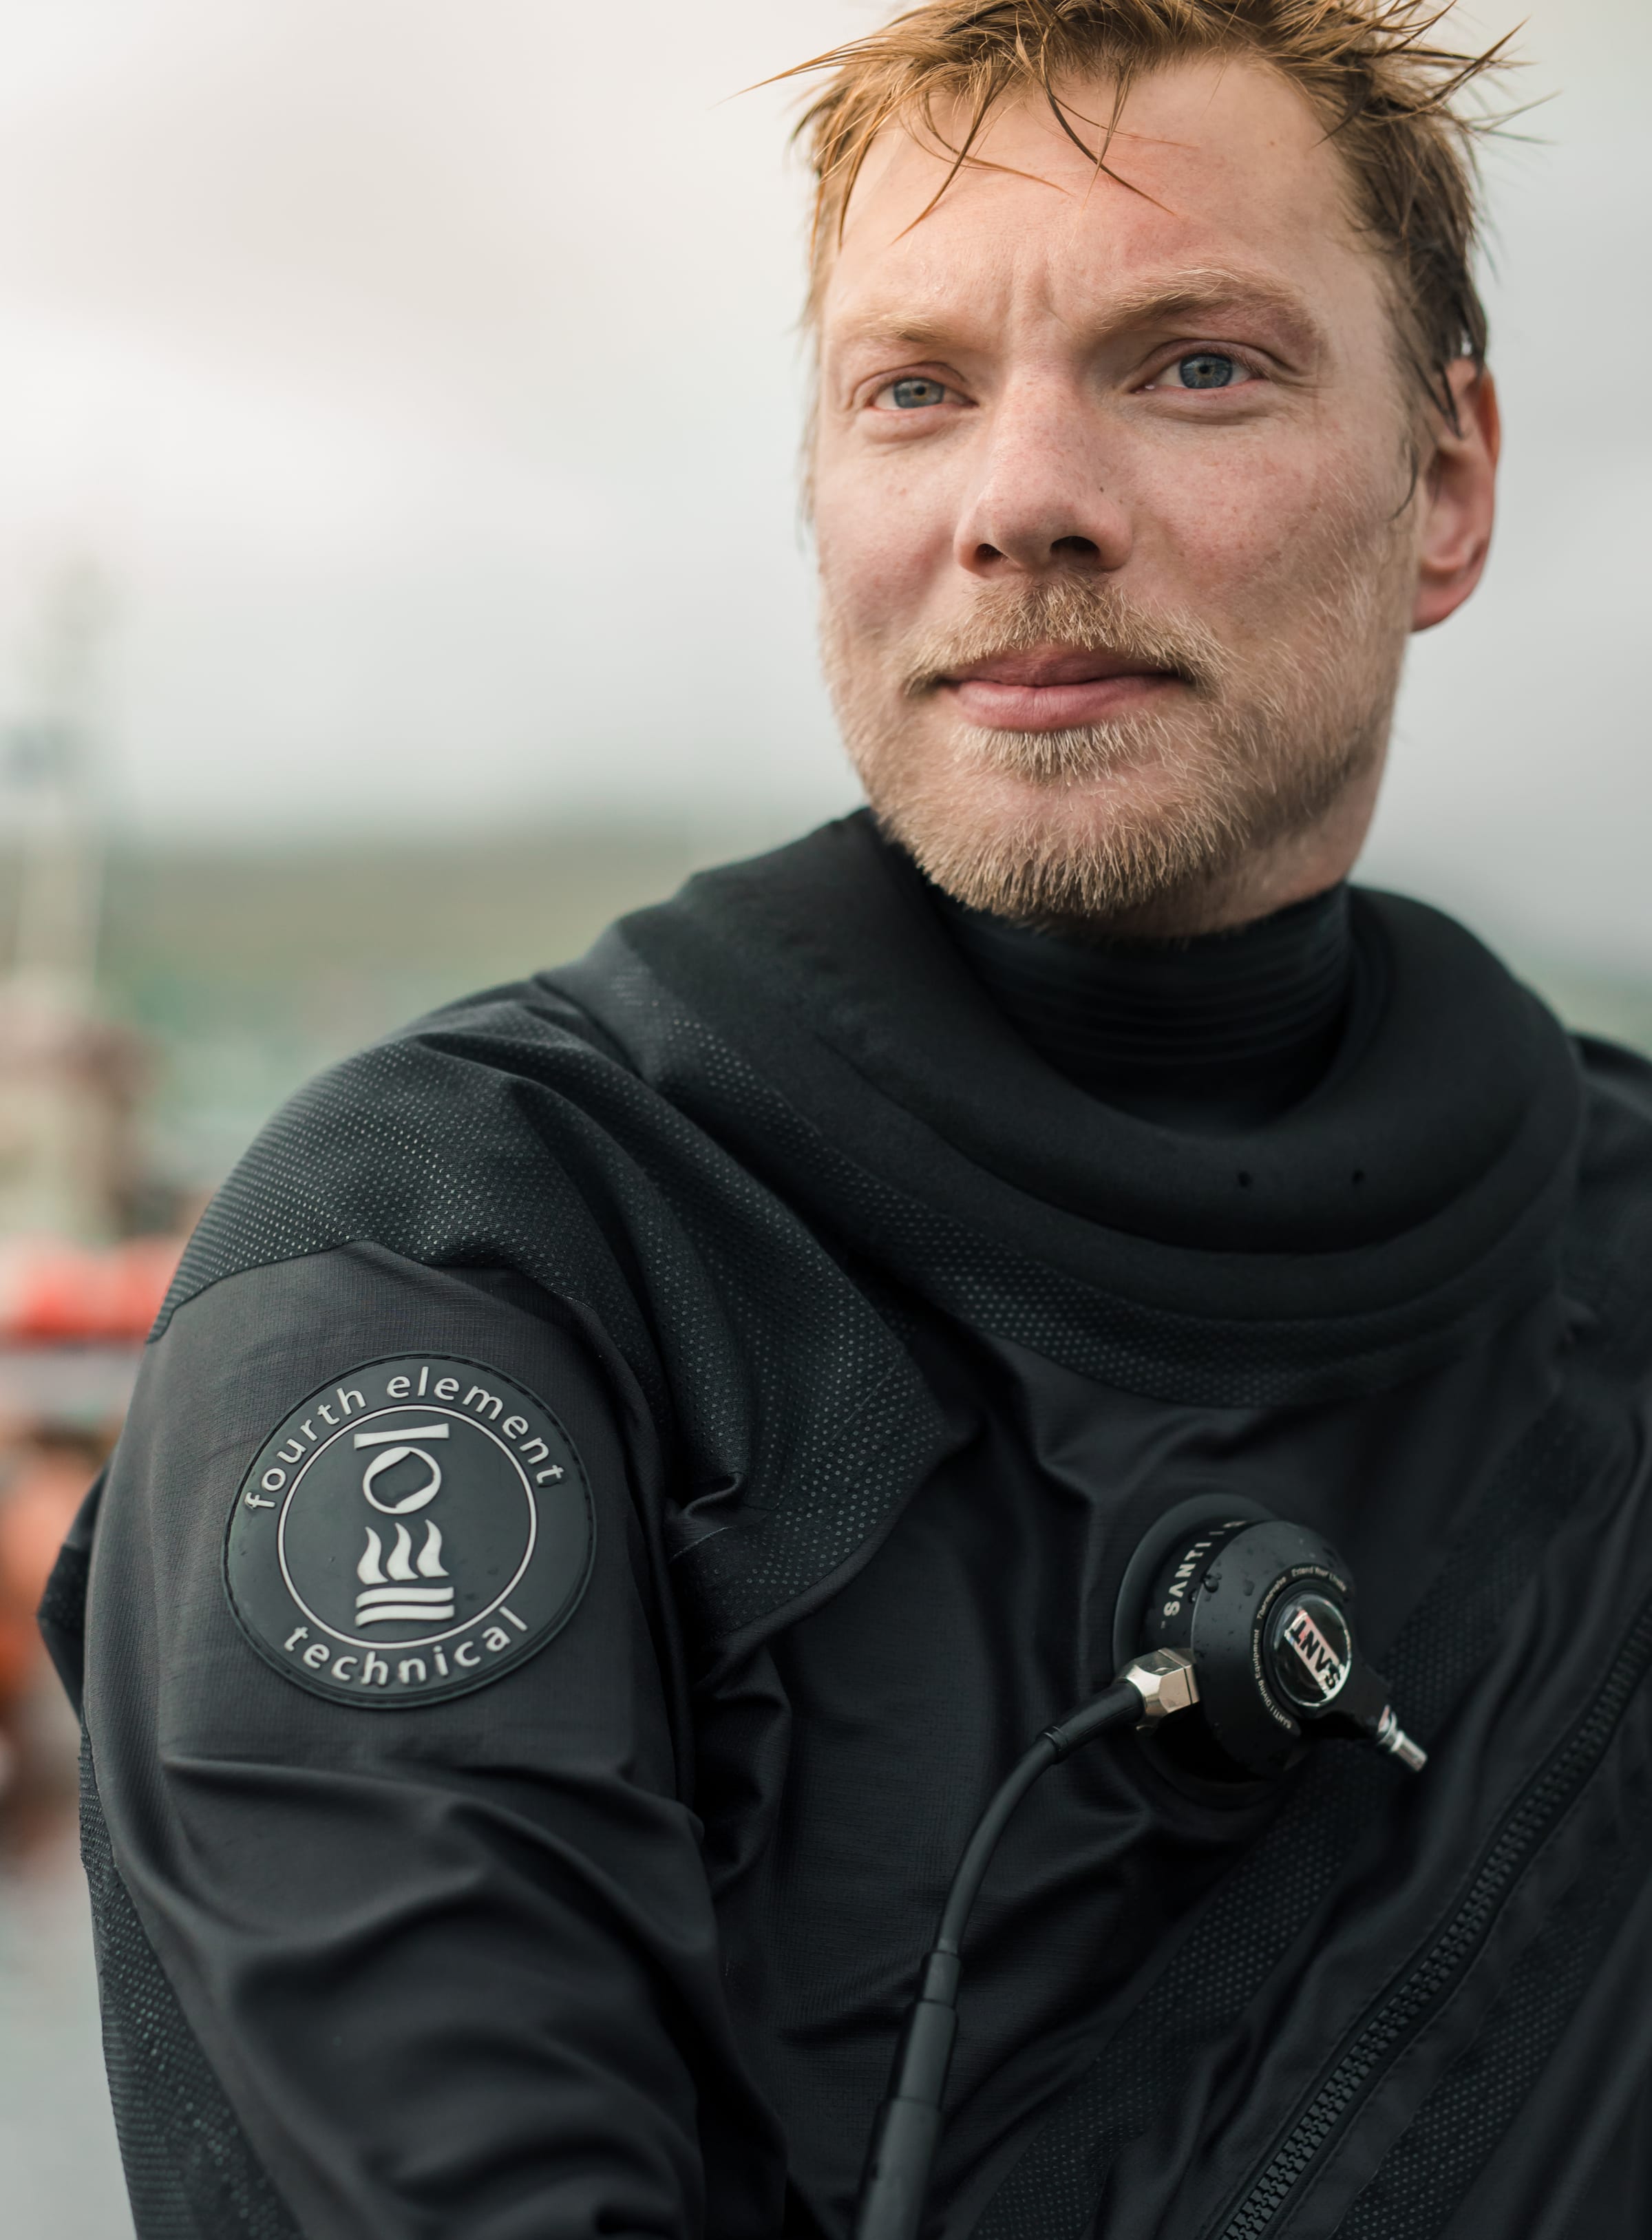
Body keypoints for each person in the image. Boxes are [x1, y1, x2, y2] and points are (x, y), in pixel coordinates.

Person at [41, 5, 1652, 2235]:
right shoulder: (458, 1262)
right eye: (916, 390)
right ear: (821, 495)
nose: (1022, 502)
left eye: (1198, 364)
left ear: (1447, 483)